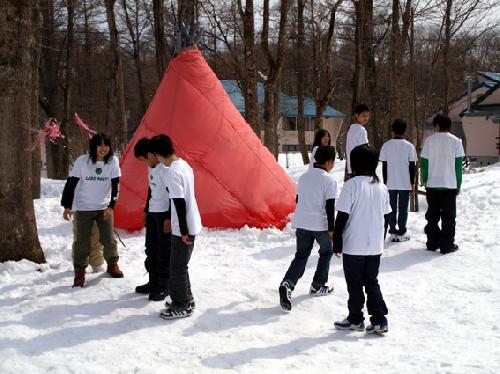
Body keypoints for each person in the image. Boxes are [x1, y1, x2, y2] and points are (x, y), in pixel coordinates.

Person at [333, 145, 391, 334]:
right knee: (371, 281)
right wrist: (381, 237)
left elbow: (342, 216)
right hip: (374, 245)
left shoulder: (352, 186)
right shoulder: (381, 187)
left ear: (354, 164)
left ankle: (355, 318)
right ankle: (379, 319)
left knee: (355, 284)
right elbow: (387, 217)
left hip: (354, 245)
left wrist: (337, 241)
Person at [279, 145, 339, 312]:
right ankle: (318, 285)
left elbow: (298, 199)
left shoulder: (304, 177)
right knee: (326, 251)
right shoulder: (329, 180)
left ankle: (288, 283)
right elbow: (330, 206)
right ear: (329, 162)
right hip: (319, 224)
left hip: (302, 221)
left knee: (301, 255)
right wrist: (332, 229)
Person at [149, 134, 202, 319]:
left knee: (178, 268)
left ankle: (182, 304)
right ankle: (186, 298)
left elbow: (179, 202)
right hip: (188, 222)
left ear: (157, 153)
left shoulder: (172, 172)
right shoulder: (183, 165)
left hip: (184, 226)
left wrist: (184, 231)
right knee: (180, 265)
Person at [61, 132, 123, 287]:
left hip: (104, 208)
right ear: (93, 146)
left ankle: (112, 264)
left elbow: (116, 186)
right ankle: (80, 272)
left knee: (108, 239)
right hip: (84, 208)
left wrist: (111, 207)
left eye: (106, 145)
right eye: (99, 145)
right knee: (81, 242)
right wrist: (67, 206)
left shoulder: (113, 162)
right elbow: (71, 184)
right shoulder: (82, 162)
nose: (103, 148)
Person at [134, 137, 171, 301]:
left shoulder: (165, 169)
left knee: (164, 251)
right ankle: (153, 281)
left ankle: (165, 285)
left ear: (151, 155)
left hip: (164, 215)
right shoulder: (152, 167)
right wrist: (146, 211)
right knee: (151, 249)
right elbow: (151, 190)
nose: (144, 164)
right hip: (153, 213)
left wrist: (169, 217)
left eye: (143, 160)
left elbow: (173, 195)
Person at [421, 114, 464, 254]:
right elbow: (458, 165)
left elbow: (424, 163)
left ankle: (432, 243)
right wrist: (458, 183)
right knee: (448, 216)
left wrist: (425, 180)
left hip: (432, 184)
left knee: (432, 215)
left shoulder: (429, 141)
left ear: (437, 125)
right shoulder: (456, 141)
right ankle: (447, 245)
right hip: (449, 185)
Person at [379, 119, 417, 242]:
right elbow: (412, 167)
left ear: (393, 130)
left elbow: (384, 166)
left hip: (390, 182)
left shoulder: (386, 145)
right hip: (405, 183)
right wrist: (413, 183)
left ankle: (392, 230)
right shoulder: (409, 146)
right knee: (403, 208)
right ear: (405, 130)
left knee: (391, 208)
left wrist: (385, 183)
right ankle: (401, 231)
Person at [345, 104, 370, 180]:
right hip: (360, 167)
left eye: (367, 116)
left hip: (352, 167)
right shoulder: (361, 130)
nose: (366, 118)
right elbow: (365, 149)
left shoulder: (351, 129)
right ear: (356, 115)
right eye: (363, 115)